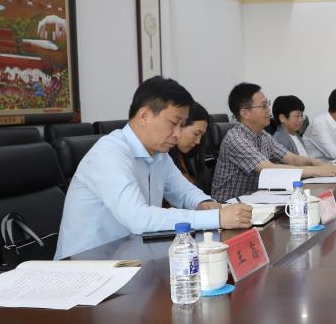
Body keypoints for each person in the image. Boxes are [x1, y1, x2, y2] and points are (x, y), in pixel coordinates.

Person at [55, 77, 252, 259]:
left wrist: (204, 203)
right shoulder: (109, 153)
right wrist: (216, 218)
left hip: (129, 256)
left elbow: (183, 191)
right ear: (144, 116)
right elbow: (139, 218)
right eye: (174, 123)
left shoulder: (159, 154)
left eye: (182, 125)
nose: (177, 134)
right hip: (86, 268)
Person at [211, 83, 336, 202]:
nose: (269, 110)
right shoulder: (236, 138)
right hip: (229, 205)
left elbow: (291, 158)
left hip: (255, 199)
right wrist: (315, 171)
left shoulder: (263, 135)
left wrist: (315, 162)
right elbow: (269, 169)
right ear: (245, 113)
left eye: (268, 104)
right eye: (263, 106)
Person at [168, 100, 211, 194]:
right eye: (196, 134)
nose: (198, 141)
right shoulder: (161, 158)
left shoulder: (184, 156)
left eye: (201, 136)